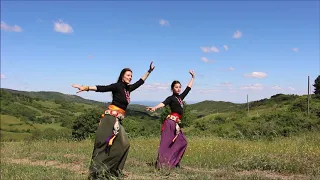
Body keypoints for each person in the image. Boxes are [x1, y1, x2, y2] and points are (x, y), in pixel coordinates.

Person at [72, 61, 155, 179]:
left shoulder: (128, 89)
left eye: (131, 76)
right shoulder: (117, 86)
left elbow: (140, 82)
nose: (130, 77)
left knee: (124, 145)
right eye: (128, 75)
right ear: (122, 76)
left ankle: (113, 171)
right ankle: (97, 172)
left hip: (117, 120)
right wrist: (86, 88)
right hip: (110, 119)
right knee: (105, 144)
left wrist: (149, 71)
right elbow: (102, 88)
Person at [146, 70, 195, 170]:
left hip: (176, 123)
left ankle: (173, 162)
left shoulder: (180, 98)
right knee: (167, 143)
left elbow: (188, 88)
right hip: (170, 123)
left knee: (183, 142)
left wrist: (193, 77)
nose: (178, 89)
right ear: (172, 88)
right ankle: (163, 164)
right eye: (176, 87)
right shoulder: (171, 98)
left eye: (179, 87)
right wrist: (155, 107)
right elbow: (163, 103)